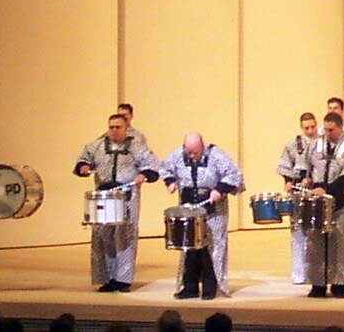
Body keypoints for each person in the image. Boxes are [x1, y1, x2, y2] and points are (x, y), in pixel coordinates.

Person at [73, 114, 160, 292]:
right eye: (111, 127)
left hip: (127, 196)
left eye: (118, 127)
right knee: (102, 237)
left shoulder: (137, 147)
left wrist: (143, 175)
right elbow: (82, 160)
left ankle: (123, 279)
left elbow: (153, 167)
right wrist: (83, 167)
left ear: (126, 128)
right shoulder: (96, 146)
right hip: (103, 196)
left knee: (125, 237)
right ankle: (107, 278)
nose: (114, 130)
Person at [161, 133, 243, 299]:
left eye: (195, 153)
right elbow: (164, 167)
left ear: (202, 147)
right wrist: (170, 181)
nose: (192, 156)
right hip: (189, 209)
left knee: (212, 249)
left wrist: (219, 189)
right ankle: (189, 286)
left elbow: (234, 174)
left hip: (213, 209)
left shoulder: (216, 155)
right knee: (189, 248)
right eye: (189, 153)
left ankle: (210, 287)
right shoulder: (177, 154)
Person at [298, 112, 344, 298]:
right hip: (318, 202)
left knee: (341, 243)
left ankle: (339, 284)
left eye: (331, 130)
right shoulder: (315, 145)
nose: (327, 134)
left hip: (343, 202)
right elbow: (305, 167)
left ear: (340, 128)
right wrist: (305, 179)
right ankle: (318, 284)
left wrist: (326, 189)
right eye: (325, 130)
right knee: (315, 244)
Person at [276, 112, 318, 283]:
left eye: (313, 127)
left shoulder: (323, 143)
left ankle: (313, 273)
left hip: (315, 192)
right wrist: (288, 182)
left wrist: (312, 179)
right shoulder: (292, 145)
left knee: (314, 234)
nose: (310, 131)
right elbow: (285, 166)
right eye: (306, 128)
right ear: (301, 127)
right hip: (298, 192)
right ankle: (299, 273)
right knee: (297, 233)